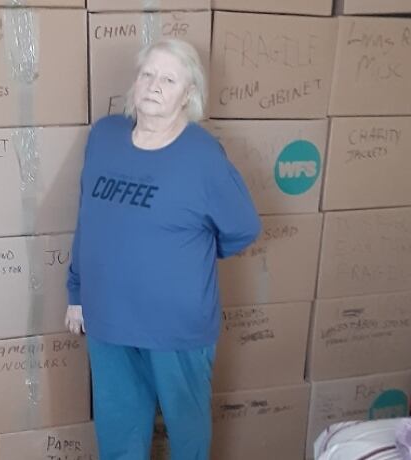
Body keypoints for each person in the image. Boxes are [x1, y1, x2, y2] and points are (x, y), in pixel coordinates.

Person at [65, 38, 261, 460]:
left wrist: (185, 261)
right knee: (119, 437)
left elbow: (242, 228)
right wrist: (77, 294)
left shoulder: (203, 156)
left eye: (169, 79)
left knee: (187, 437)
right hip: (108, 321)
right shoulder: (104, 136)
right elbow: (88, 219)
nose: (154, 85)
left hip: (176, 327)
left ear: (188, 94)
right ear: (135, 83)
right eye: (148, 74)